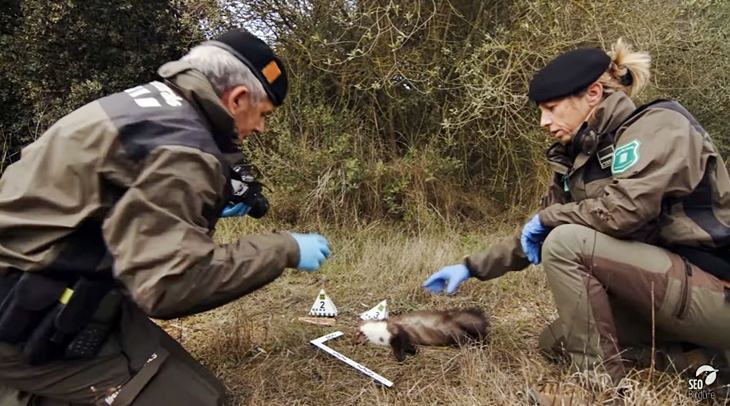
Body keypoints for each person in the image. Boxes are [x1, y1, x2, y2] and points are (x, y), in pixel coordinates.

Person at [0, 29, 331, 406]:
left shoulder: (142, 106)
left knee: (200, 385)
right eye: (263, 114)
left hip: (51, 279)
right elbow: (170, 285)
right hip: (24, 313)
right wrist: (283, 248)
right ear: (238, 98)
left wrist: (200, 206)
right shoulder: (183, 149)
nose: (260, 128)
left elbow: (107, 197)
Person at [422, 38, 730, 404]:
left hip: (716, 290)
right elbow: (534, 231)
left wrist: (549, 218)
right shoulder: (580, 160)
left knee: (567, 242)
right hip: (668, 294)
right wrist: (470, 267)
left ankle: (596, 388)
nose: (543, 122)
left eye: (551, 109)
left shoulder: (660, 126)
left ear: (593, 93)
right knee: (555, 343)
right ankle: (701, 362)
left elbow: (622, 212)